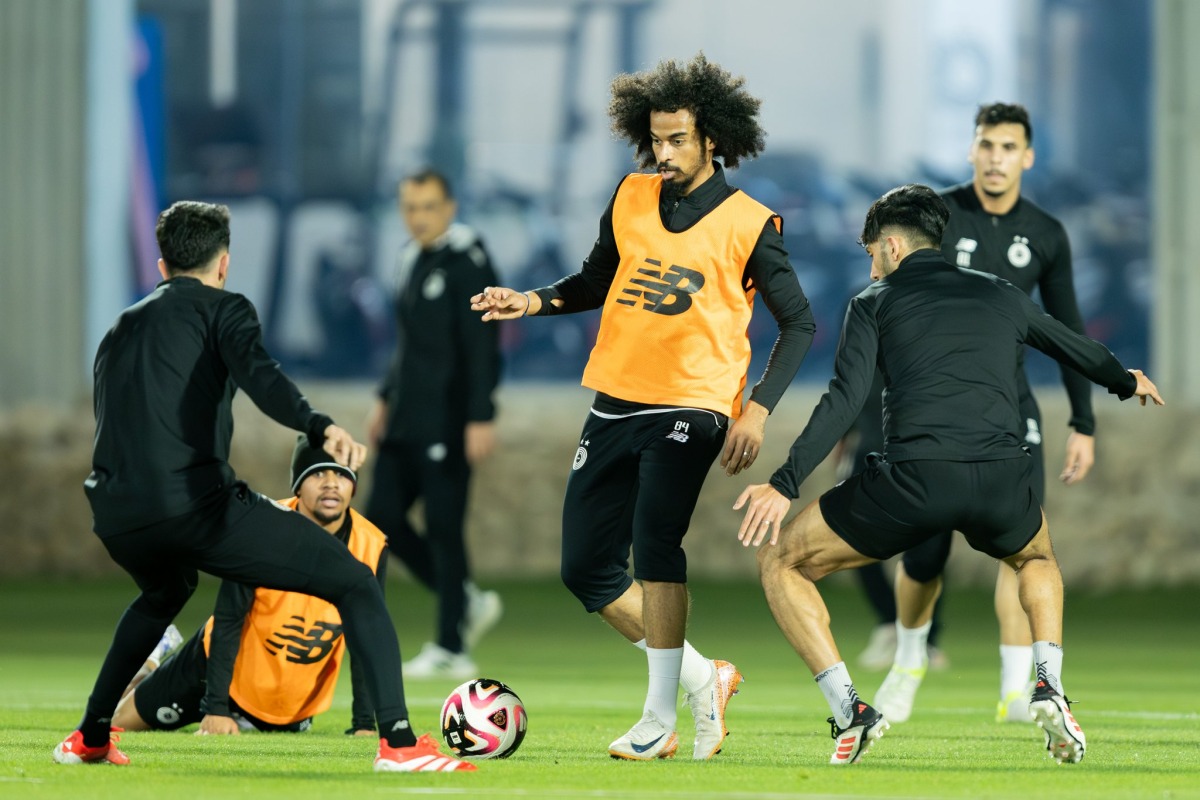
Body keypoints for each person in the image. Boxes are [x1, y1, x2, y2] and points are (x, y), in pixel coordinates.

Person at [734, 183, 1162, 766]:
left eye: (869, 253)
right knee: (1036, 560)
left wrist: (784, 483)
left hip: (914, 482)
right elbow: (1073, 346)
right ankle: (1049, 685)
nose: (870, 264)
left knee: (783, 561)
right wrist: (1124, 379)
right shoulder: (1002, 294)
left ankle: (849, 710)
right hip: (1001, 480)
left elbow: (843, 400)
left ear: (889, 246)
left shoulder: (872, 303)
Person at [471, 53, 816, 761]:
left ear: (712, 138)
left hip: (695, 403)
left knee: (656, 544)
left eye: (678, 140)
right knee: (586, 569)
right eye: (656, 139)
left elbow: (800, 323)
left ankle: (659, 716)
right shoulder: (630, 195)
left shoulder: (750, 223)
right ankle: (704, 676)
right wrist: (530, 301)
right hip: (616, 398)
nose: (663, 153)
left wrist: (756, 411)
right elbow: (599, 277)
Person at [53, 201, 473, 773]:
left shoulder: (120, 327)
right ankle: (399, 745)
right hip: (193, 507)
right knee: (354, 582)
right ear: (223, 265)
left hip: (116, 513)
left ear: (161, 265)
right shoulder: (225, 309)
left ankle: (90, 737)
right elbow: (262, 377)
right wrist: (319, 424)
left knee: (162, 594)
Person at [874, 103, 1100, 725]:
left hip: (1012, 409)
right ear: (971, 151)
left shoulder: (1047, 234)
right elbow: (886, 303)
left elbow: (1067, 331)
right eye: (986, 145)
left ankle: (1012, 690)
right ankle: (911, 658)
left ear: (1027, 156)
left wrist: (1083, 420)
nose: (996, 157)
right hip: (931, 408)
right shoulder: (937, 220)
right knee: (923, 553)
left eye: (1008, 147)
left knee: (1022, 549)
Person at [111, 437, 388, 737]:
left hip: (284, 696)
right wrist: (215, 708)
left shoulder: (371, 545)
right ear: (297, 485)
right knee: (120, 722)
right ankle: (152, 661)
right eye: (318, 473)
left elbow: (366, 631)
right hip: (214, 671)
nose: (331, 484)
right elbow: (229, 618)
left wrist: (364, 724)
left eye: (342, 474)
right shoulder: (259, 529)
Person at [364, 168, 503, 679]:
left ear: (449, 207)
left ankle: (451, 646)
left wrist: (480, 416)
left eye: (427, 206)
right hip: (406, 415)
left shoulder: (469, 260)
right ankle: (464, 600)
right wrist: (384, 399)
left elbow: (482, 345)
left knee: (445, 529)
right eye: (409, 207)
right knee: (381, 519)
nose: (417, 217)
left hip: (449, 417)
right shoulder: (409, 258)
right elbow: (407, 344)